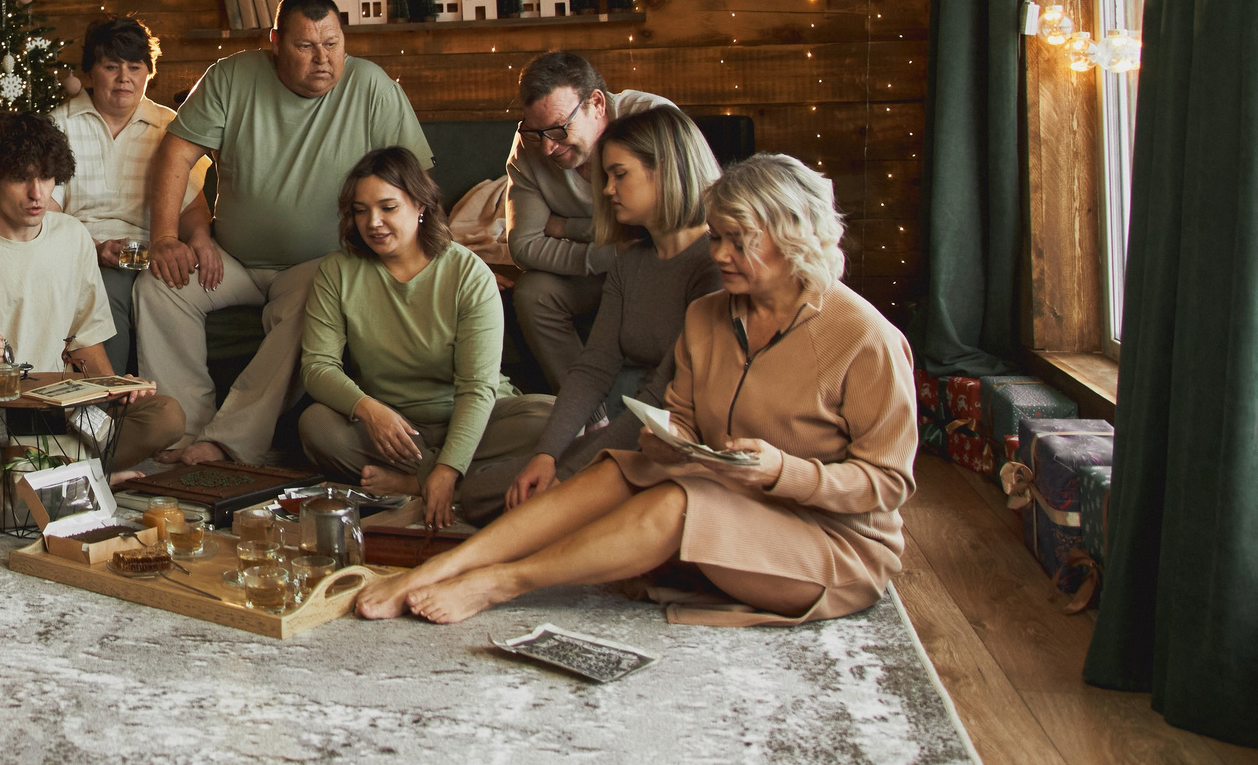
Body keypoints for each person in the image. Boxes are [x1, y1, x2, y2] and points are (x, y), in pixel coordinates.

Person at [357, 154, 916, 627]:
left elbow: (887, 484)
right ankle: (440, 568)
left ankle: (500, 584)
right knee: (618, 466)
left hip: (833, 543)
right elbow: (684, 423)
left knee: (675, 501)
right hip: (729, 498)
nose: (718, 255)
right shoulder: (706, 316)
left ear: (794, 238)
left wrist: (781, 472)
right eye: (716, 237)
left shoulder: (866, 341)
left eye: (737, 241)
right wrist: (673, 442)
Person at [138, 0, 433, 463]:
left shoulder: (372, 86)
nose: (323, 59)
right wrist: (167, 238)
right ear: (275, 41)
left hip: (319, 265)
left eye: (332, 44)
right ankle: (183, 432)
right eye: (305, 46)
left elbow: (416, 182)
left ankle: (229, 443)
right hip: (229, 259)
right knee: (159, 288)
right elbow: (176, 152)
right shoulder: (231, 77)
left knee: (317, 299)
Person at [0, 110, 184, 467]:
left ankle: (41, 472)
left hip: (58, 412)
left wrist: (116, 388)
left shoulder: (72, 237)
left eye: (45, 177)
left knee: (167, 415)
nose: (37, 193)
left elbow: (85, 341)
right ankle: (62, 472)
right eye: (20, 178)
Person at [295, 149, 558, 526]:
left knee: (554, 421)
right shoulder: (337, 270)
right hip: (395, 433)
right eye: (360, 210)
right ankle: (458, 484)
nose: (374, 223)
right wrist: (369, 409)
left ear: (420, 204)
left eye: (388, 207)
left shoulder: (468, 274)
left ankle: (420, 484)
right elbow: (318, 366)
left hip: (476, 422)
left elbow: (477, 388)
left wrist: (448, 466)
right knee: (317, 424)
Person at [502, 105, 722, 510]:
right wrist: (546, 455)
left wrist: (575, 472)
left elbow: (663, 393)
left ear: (665, 172)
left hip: (676, 441)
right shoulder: (632, 261)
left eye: (619, 175)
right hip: (632, 428)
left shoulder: (715, 265)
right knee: (498, 487)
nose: (605, 190)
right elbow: (593, 368)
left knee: (542, 501)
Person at [47, 15, 211, 380]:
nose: (124, 78)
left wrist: (199, 239)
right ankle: (110, 408)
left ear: (148, 73)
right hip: (84, 251)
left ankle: (170, 412)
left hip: (155, 248)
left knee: (173, 288)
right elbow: (47, 214)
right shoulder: (59, 126)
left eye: (135, 67)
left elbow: (193, 209)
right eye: (111, 66)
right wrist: (93, 248)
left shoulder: (171, 127)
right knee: (105, 291)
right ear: (90, 73)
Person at [507, 52, 676, 391]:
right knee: (533, 292)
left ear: (596, 104)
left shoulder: (652, 119)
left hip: (661, 263)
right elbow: (523, 246)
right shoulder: (528, 145)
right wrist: (604, 253)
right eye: (536, 133)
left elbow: (677, 218)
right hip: (599, 269)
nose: (548, 148)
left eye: (558, 129)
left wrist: (565, 226)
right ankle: (585, 412)